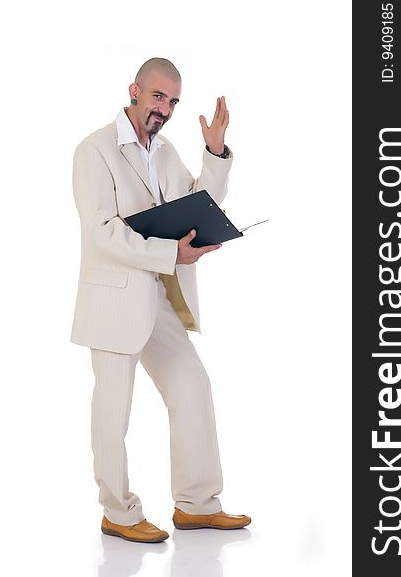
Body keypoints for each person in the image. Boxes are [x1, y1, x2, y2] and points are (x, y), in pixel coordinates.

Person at [71, 58, 251, 543]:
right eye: (157, 97)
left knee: (192, 388)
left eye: (172, 101)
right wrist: (172, 252)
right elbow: (102, 232)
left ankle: (196, 505)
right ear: (134, 91)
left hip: (159, 295)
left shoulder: (165, 150)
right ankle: (119, 513)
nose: (165, 109)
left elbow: (198, 201)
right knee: (113, 412)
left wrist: (215, 154)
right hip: (114, 301)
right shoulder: (94, 150)